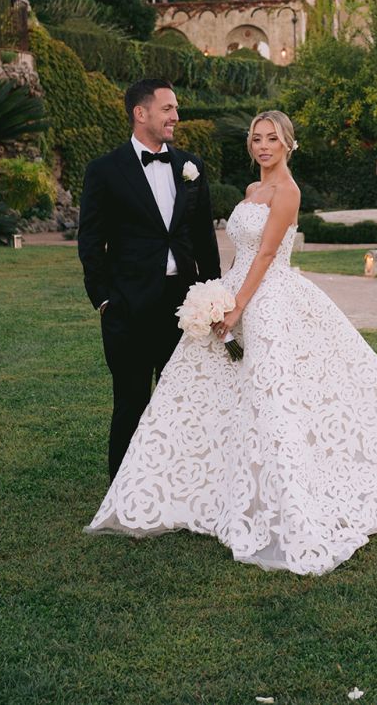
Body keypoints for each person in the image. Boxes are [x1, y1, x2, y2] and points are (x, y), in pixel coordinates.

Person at [85, 110, 377, 575]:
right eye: (256, 138)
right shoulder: (252, 191)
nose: (262, 146)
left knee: (275, 398)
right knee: (213, 398)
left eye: (272, 138)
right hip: (235, 291)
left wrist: (237, 305)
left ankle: (289, 492)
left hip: (271, 300)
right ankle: (203, 490)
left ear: (288, 144)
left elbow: (267, 254)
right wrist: (217, 298)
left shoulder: (288, 192)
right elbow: (240, 252)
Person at [77, 78, 220, 480]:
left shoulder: (190, 166)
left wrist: (212, 297)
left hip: (184, 307)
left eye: (175, 108)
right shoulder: (104, 171)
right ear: (141, 114)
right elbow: (90, 241)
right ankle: (123, 491)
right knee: (131, 401)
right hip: (129, 305)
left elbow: (203, 237)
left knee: (184, 400)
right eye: (168, 108)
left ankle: (180, 484)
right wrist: (104, 301)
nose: (176, 116)